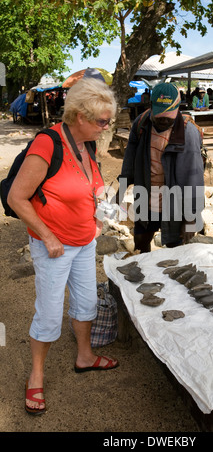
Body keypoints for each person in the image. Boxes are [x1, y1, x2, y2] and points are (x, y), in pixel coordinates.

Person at [7, 77, 119, 415]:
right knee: (50, 311)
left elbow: (93, 186)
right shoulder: (48, 143)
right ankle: (36, 376)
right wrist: (49, 235)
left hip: (84, 242)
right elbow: (16, 197)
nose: (106, 126)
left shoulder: (86, 144)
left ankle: (84, 356)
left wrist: (103, 210)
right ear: (79, 116)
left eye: (108, 120)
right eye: (102, 121)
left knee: (86, 303)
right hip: (54, 246)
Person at [116, 82, 205, 253]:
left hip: (174, 200)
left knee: (174, 246)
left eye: (168, 116)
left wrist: (191, 217)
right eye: (160, 115)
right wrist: (122, 185)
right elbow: (130, 159)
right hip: (146, 194)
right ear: (151, 107)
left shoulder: (188, 131)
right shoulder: (141, 124)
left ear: (178, 108)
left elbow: (193, 177)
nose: (163, 120)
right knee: (141, 241)